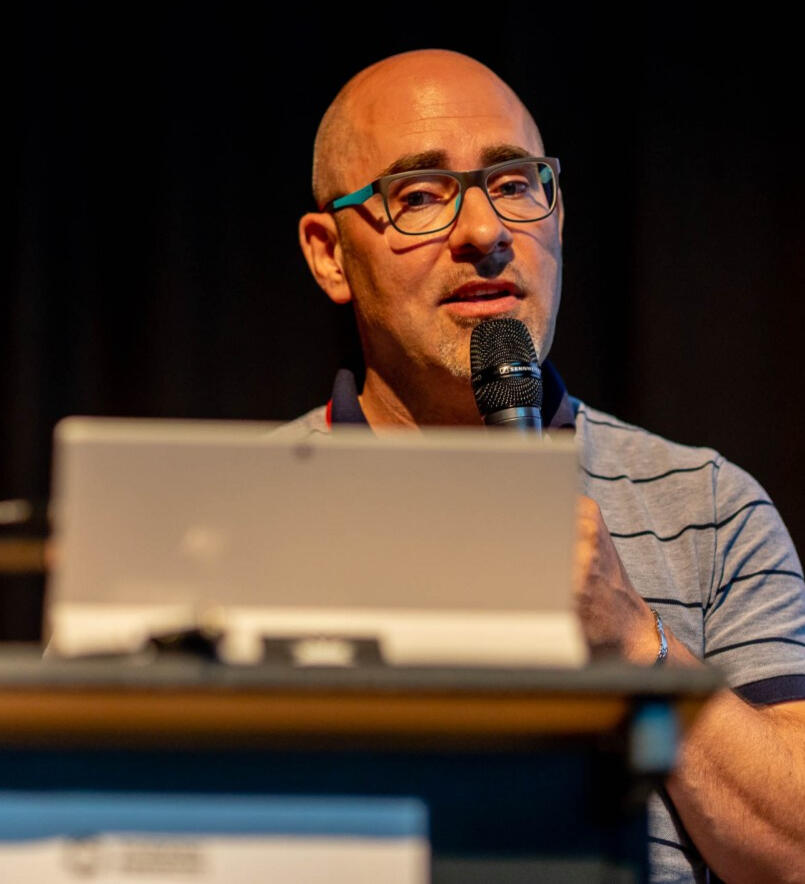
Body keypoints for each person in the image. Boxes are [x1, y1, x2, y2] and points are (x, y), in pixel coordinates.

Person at [291, 49, 805, 881]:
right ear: (329, 253)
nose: (485, 232)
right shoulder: (222, 517)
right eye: (419, 195)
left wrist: (635, 641)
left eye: (514, 184)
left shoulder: (707, 508)